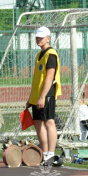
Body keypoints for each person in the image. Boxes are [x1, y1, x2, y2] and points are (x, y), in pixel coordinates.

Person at [26, 26, 62, 166]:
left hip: (47, 94)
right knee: (37, 122)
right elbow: (37, 79)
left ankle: (51, 154)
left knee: (49, 121)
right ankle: (45, 152)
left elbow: (49, 77)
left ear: (48, 38)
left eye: (41, 37)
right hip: (37, 95)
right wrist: (31, 97)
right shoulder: (39, 55)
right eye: (37, 37)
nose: (38, 39)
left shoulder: (51, 54)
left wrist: (42, 97)